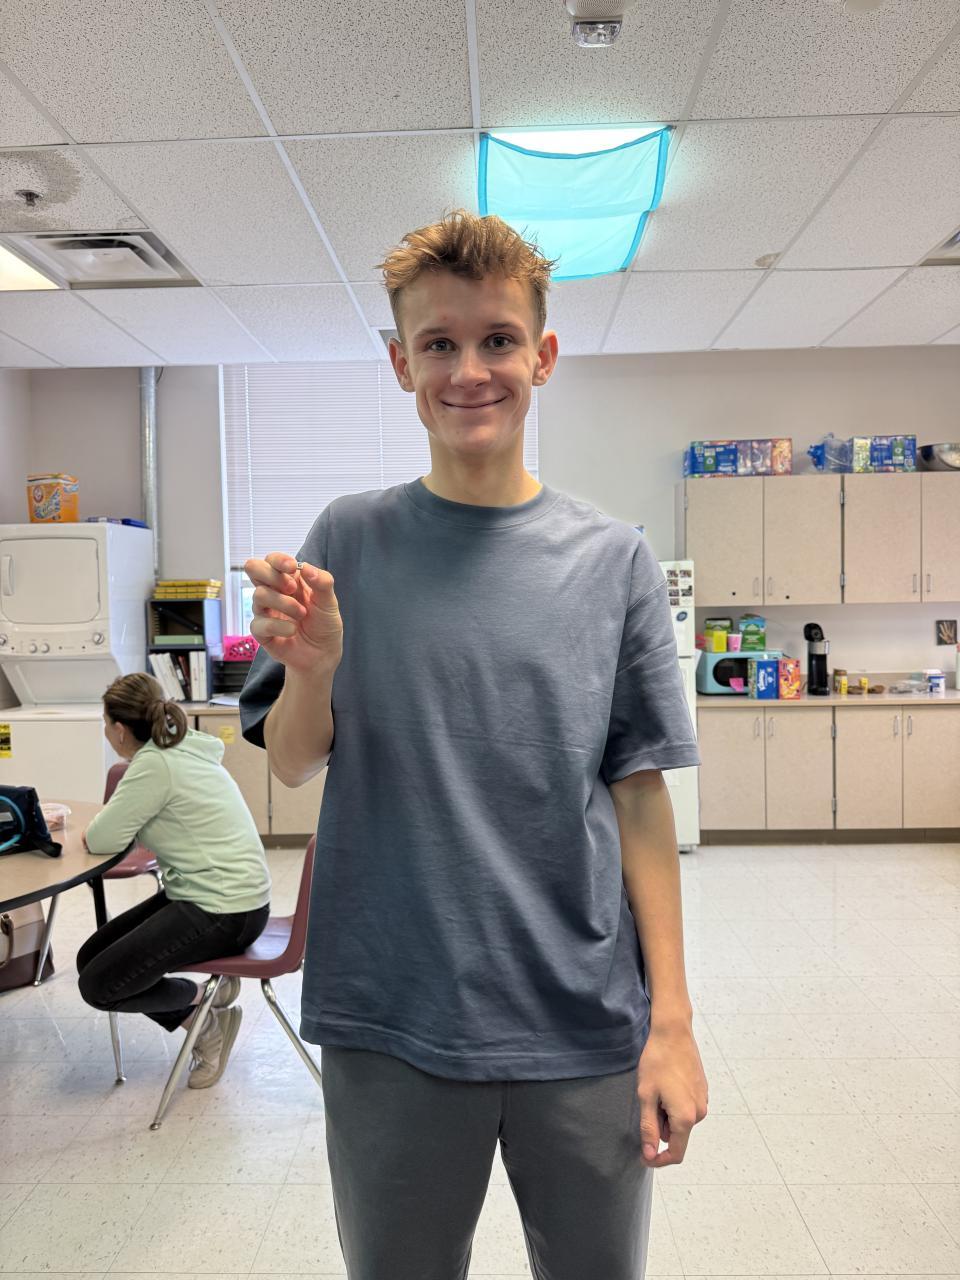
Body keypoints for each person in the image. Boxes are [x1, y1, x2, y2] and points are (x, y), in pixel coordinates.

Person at [239, 209, 708, 1279]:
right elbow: (295, 759)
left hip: (581, 1016)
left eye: (498, 339)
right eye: (438, 343)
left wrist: (673, 1022)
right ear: (400, 362)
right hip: (391, 1011)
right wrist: (313, 667)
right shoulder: (347, 541)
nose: (469, 371)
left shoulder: (614, 561)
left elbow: (640, 796)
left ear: (543, 355)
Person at [77, 672, 271, 1088]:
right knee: (90, 958)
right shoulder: (180, 748)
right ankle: (209, 1001)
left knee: (99, 986)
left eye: (105, 723)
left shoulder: (154, 764)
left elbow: (101, 839)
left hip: (223, 910)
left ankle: (204, 1018)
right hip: (225, 898)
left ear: (119, 728)